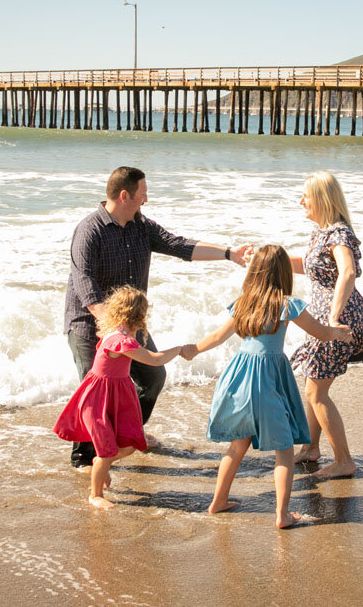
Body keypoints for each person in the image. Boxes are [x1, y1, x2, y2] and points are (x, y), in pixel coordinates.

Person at [64, 166, 253, 469]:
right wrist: (112, 331)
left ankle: (127, 437)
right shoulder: (90, 231)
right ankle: (85, 459)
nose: (146, 200)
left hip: (129, 325)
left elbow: (179, 245)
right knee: (95, 393)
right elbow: (86, 286)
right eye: (142, 194)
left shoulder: (141, 226)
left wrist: (229, 253)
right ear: (125, 196)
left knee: (153, 377)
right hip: (90, 326)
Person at [182, 245, 353, 528]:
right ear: (283, 273)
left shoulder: (243, 304)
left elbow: (216, 337)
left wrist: (193, 349)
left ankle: (218, 501)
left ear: (255, 273)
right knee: (284, 449)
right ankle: (282, 515)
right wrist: (339, 333)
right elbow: (320, 333)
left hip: (239, 377)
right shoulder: (287, 305)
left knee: (237, 445)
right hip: (269, 380)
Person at [289, 171, 363, 479]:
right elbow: (308, 267)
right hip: (326, 319)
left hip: (340, 319)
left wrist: (333, 317)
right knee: (313, 384)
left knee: (317, 392)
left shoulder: (339, 234)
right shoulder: (321, 232)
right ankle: (310, 449)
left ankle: (344, 461)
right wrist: (267, 259)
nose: (301, 200)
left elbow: (348, 273)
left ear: (321, 199)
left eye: (306, 195)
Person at [53, 286, 182, 509]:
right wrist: (180, 349)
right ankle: (95, 495)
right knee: (106, 450)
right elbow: (154, 359)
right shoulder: (119, 340)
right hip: (98, 399)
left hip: (114, 395)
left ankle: (100, 464)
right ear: (139, 315)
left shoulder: (117, 333)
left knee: (130, 445)